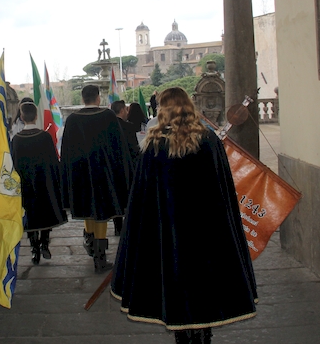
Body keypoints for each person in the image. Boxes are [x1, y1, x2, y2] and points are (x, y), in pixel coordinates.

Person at [111, 87, 257, 343]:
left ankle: (182, 332)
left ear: (163, 111)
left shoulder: (154, 146)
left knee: (174, 278)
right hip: (207, 231)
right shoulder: (209, 141)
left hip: (169, 232)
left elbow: (141, 200)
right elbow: (223, 191)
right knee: (205, 280)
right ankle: (204, 331)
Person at [60, 84, 131, 272]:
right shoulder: (107, 116)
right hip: (103, 172)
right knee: (102, 212)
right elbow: (118, 146)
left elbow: (66, 150)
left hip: (80, 171)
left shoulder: (72, 119)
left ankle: (89, 240)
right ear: (98, 98)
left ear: (83, 99)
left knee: (88, 208)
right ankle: (100, 257)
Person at [10, 102, 68, 264]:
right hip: (44, 182)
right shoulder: (44, 137)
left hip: (25, 185)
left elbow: (13, 164)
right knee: (45, 212)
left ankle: (34, 248)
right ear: (36, 116)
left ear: (22, 117)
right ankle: (45, 242)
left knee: (30, 215)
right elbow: (53, 161)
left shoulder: (16, 140)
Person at [110, 100, 142, 236]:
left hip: (111, 166)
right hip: (127, 166)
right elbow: (134, 149)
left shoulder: (107, 127)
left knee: (115, 195)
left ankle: (118, 226)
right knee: (128, 195)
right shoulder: (129, 127)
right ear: (122, 110)